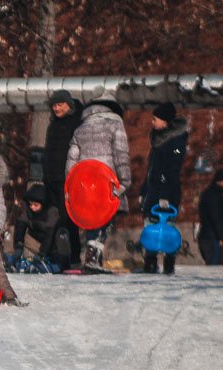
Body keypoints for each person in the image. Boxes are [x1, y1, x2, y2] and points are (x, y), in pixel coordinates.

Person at [66, 88, 131, 266]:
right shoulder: (115, 124)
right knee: (106, 218)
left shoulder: (80, 129)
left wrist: (70, 187)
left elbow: (71, 161)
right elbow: (121, 154)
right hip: (107, 182)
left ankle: (92, 252)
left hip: (86, 184)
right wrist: (125, 182)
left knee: (92, 218)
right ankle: (94, 253)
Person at [140, 102, 189, 274]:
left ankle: (169, 261)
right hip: (153, 191)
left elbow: (171, 170)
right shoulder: (158, 141)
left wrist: (165, 196)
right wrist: (143, 190)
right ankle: (150, 260)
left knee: (166, 226)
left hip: (166, 192)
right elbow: (152, 170)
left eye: (156, 119)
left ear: (166, 122)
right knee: (150, 225)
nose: (152, 122)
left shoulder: (175, 141)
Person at [42, 89, 83, 263]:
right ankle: (55, 254)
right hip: (50, 177)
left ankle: (73, 255)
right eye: (54, 106)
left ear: (69, 105)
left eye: (60, 105)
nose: (57, 109)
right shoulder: (53, 123)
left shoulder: (76, 122)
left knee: (68, 219)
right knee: (53, 217)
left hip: (67, 178)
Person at [10, 183, 71, 273]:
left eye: (35, 205)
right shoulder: (28, 211)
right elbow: (21, 225)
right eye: (31, 204)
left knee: (62, 234)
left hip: (52, 247)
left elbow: (49, 234)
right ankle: (11, 259)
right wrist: (19, 245)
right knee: (12, 230)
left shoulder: (52, 212)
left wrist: (43, 254)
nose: (32, 207)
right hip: (36, 243)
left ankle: (58, 266)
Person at [198, 169, 223, 265]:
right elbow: (217, 218)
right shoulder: (214, 196)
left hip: (211, 237)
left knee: (216, 269)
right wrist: (221, 237)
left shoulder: (214, 194)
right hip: (212, 239)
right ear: (221, 182)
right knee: (216, 270)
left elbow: (222, 211)